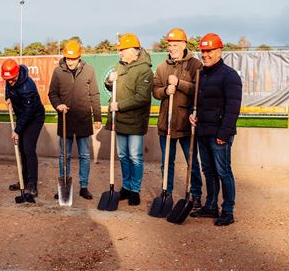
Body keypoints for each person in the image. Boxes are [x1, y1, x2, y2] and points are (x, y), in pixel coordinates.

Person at [189, 33, 242, 226]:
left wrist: (223, 134)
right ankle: (211, 206)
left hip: (219, 134)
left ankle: (228, 210)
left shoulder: (230, 76)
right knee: (209, 171)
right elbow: (197, 103)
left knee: (223, 171)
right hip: (203, 132)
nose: (205, 54)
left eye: (209, 50)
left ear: (219, 51)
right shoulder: (201, 74)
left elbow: (233, 108)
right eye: (203, 51)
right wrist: (192, 114)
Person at [152, 28, 203, 208]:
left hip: (186, 123)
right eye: (170, 45)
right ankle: (167, 191)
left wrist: (179, 84)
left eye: (175, 45)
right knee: (167, 162)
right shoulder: (161, 67)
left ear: (184, 44)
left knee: (192, 162)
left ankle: (196, 194)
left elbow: (199, 90)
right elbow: (155, 91)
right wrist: (165, 90)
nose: (172, 48)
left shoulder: (195, 65)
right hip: (166, 123)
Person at [48, 39, 102, 200]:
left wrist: (97, 117)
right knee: (64, 156)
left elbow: (94, 95)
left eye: (74, 58)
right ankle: (64, 184)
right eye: (68, 58)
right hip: (65, 120)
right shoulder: (58, 72)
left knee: (85, 155)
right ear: (65, 57)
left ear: (79, 57)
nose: (70, 62)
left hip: (83, 120)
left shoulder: (89, 70)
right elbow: (52, 93)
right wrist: (58, 105)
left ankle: (83, 187)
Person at [105, 33, 153, 206]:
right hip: (119, 121)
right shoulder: (119, 66)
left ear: (134, 50)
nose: (121, 53)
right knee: (123, 155)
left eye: (123, 50)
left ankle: (135, 190)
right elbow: (111, 85)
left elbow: (142, 98)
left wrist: (119, 106)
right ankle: (126, 186)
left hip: (135, 121)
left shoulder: (145, 70)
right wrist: (109, 81)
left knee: (135, 156)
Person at [2, 59, 45, 197]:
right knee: (21, 149)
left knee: (28, 148)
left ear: (17, 73)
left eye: (12, 79)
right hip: (22, 116)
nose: (9, 82)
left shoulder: (28, 86)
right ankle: (23, 180)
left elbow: (28, 112)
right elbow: (7, 88)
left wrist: (17, 130)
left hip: (34, 117)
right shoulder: (9, 79)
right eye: (7, 79)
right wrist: (7, 97)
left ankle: (32, 184)